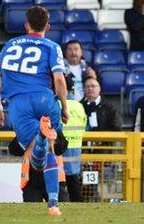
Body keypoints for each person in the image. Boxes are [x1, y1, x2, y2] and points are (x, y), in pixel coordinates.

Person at [0, 6, 69, 216]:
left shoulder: (9, 45)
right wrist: (65, 107)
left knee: (36, 157)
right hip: (46, 98)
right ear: (47, 26)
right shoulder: (52, 46)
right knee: (50, 151)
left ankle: (41, 139)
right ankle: (53, 203)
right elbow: (59, 79)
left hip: (19, 104)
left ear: (26, 25)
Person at [58, 74, 87, 202]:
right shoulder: (79, 106)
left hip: (59, 150)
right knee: (73, 182)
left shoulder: (57, 105)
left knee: (59, 183)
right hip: (75, 150)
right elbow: (84, 125)